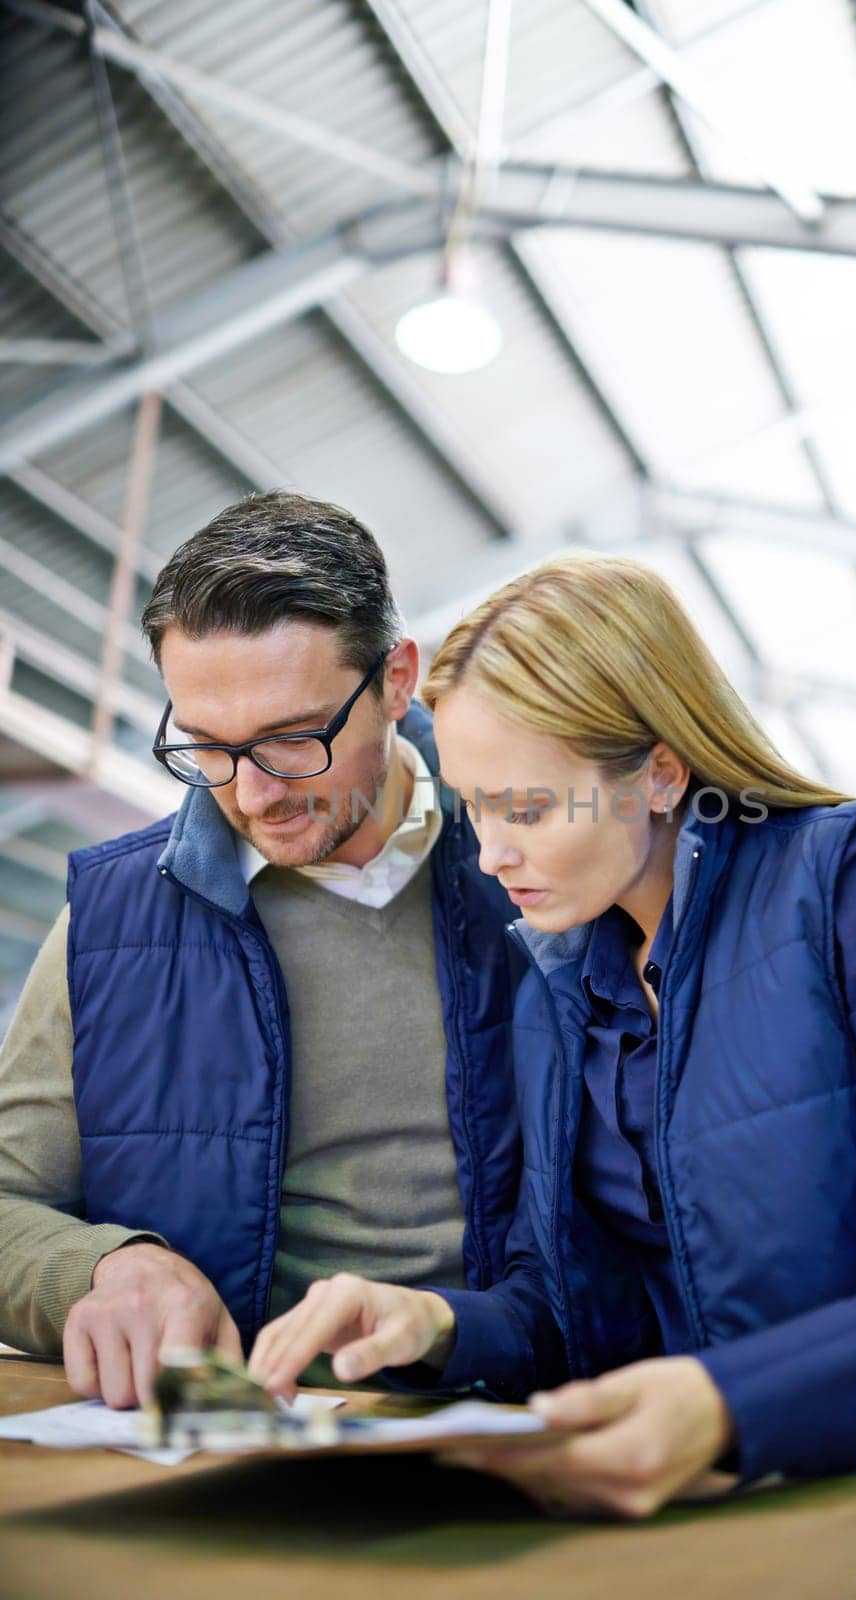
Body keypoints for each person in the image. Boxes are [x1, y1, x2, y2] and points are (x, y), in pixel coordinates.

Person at [250, 552, 856, 1588]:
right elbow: (577, 1308)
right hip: (697, 1525)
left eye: (528, 807)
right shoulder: (557, 979)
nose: (490, 854)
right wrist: (440, 1322)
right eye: (473, 806)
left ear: (662, 772)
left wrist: (730, 1403)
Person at [0, 490, 525, 1408]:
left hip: (503, 1412)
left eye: (292, 740)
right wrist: (101, 1268)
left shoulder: (537, 874)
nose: (249, 793)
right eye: (206, 745)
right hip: (230, 1442)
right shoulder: (111, 918)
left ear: (397, 679)